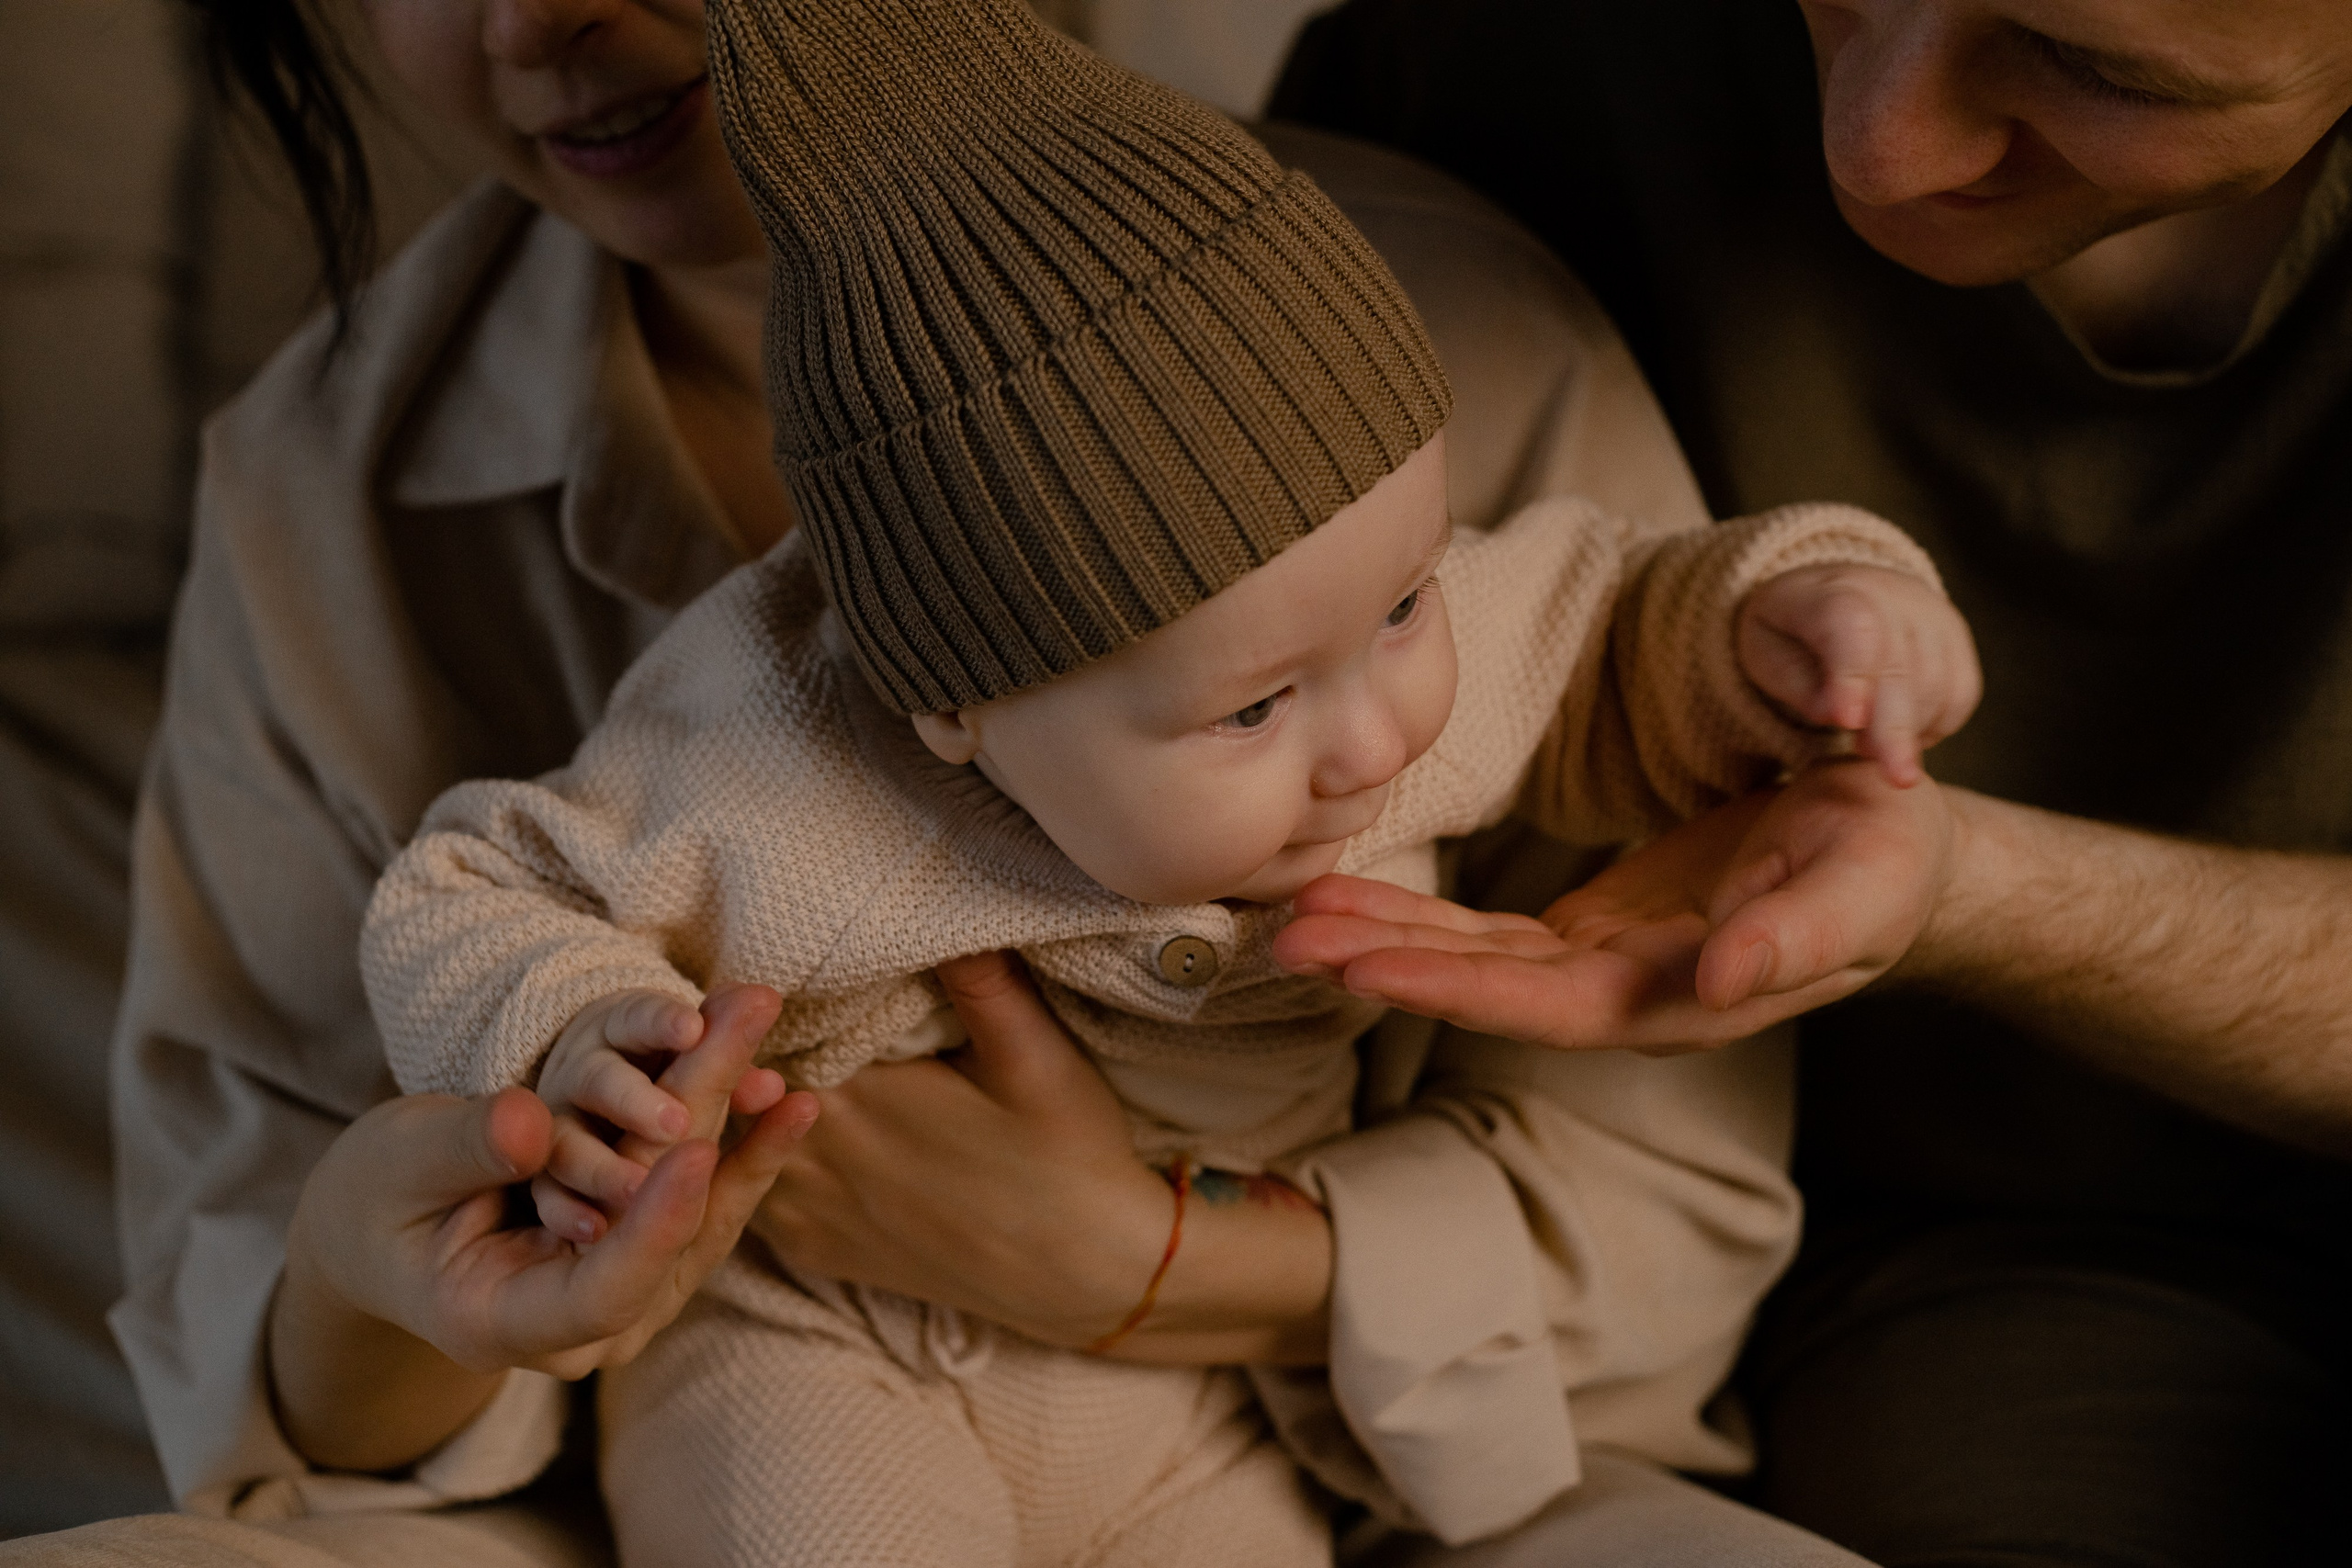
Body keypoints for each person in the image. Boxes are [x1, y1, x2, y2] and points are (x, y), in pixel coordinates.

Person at [0, 3, 1920, 1566]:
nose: (538, 20)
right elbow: (290, 1308)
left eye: (1397, 608)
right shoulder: (681, 728)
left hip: (1303, 1438)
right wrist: (481, 1178)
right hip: (711, 1422)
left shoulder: (1406, 338)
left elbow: (1608, 638)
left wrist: (1810, 599)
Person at [1270, 1, 2352, 1562]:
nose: (1879, 149)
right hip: (1919, 1277)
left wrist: (1977, 886)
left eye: (2103, 73)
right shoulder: (1479, 62)